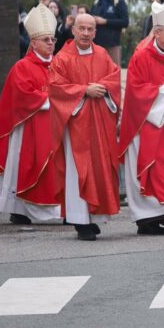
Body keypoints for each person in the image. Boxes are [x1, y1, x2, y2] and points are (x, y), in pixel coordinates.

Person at [119, 1, 164, 235]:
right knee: (154, 165)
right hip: (147, 121)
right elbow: (135, 90)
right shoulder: (142, 55)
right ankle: (150, 216)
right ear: (157, 32)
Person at [49, 13, 122, 240]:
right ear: (73, 30)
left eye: (90, 29)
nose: (86, 33)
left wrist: (102, 87)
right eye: (82, 28)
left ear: (95, 32)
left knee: (99, 169)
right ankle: (80, 220)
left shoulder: (101, 54)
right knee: (78, 170)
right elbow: (55, 87)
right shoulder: (63, 58)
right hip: (77, 125)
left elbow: (115, 77)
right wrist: (83, 91)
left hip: (99, 124)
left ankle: (93, 217)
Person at [0, 4, 62, 226]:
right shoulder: (22, 67)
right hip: (28, 128)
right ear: (33, 42)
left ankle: (59, 209)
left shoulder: (60, 66)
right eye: (45, 39)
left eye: (53, 39)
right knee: (24, 165)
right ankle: (18, 209)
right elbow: (21, 97)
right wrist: (50, 98)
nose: (50, 43)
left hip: (56, 127)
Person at [89, 0, 130, 67]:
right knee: (97, 72)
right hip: (97, 45)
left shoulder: (118, 2)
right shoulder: (96, 3)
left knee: (113, 72)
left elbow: (125, 22)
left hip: (113, 45)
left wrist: (106, 21)